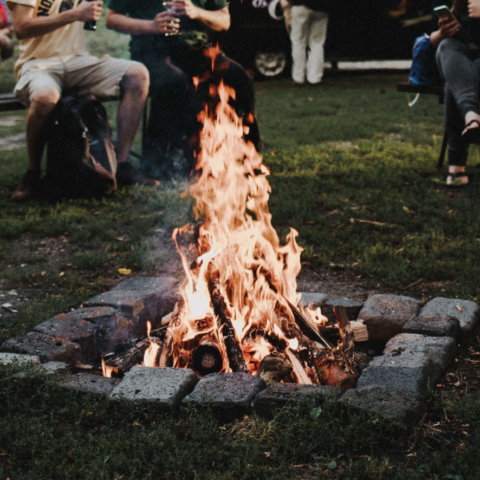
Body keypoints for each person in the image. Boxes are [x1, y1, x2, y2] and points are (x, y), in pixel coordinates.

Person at [7, 0, 157, 201]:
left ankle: (121, 166)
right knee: (46, 97)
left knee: (138, 75)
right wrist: (75, 15)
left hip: (77, 60)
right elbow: (21, 29)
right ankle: (32, 175)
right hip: (38, 64)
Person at [105, 0, 261, 180]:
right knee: (173, 81)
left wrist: (197, 12)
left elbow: (224, 21)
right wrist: (151, 26)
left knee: (239, 76)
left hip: (195, 50)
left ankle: (249, 154)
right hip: (150, 51)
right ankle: (158, 163)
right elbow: (111, 19)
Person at [432, 0, 480, 186]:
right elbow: (431, 41)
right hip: (458, 58)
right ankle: (471, 116)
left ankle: (456, 166)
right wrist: (443, 32)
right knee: (446, 46)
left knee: (458, 81)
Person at [289, 0, 329, 84]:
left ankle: (298, 76)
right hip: (320, 7)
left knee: (298, 42)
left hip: (299, 5)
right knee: (317, 43)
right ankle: (314, 77)